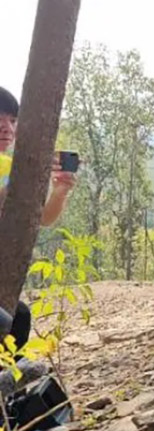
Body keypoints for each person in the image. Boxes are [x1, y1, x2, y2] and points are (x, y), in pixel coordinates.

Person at [0, 86, 77, 350]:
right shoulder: (16, 174)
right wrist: (19, 186)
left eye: (12, 120)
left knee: (17, 318)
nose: (6, 128)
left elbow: (41, 218)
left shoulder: (10, 168)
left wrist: (60, 190)